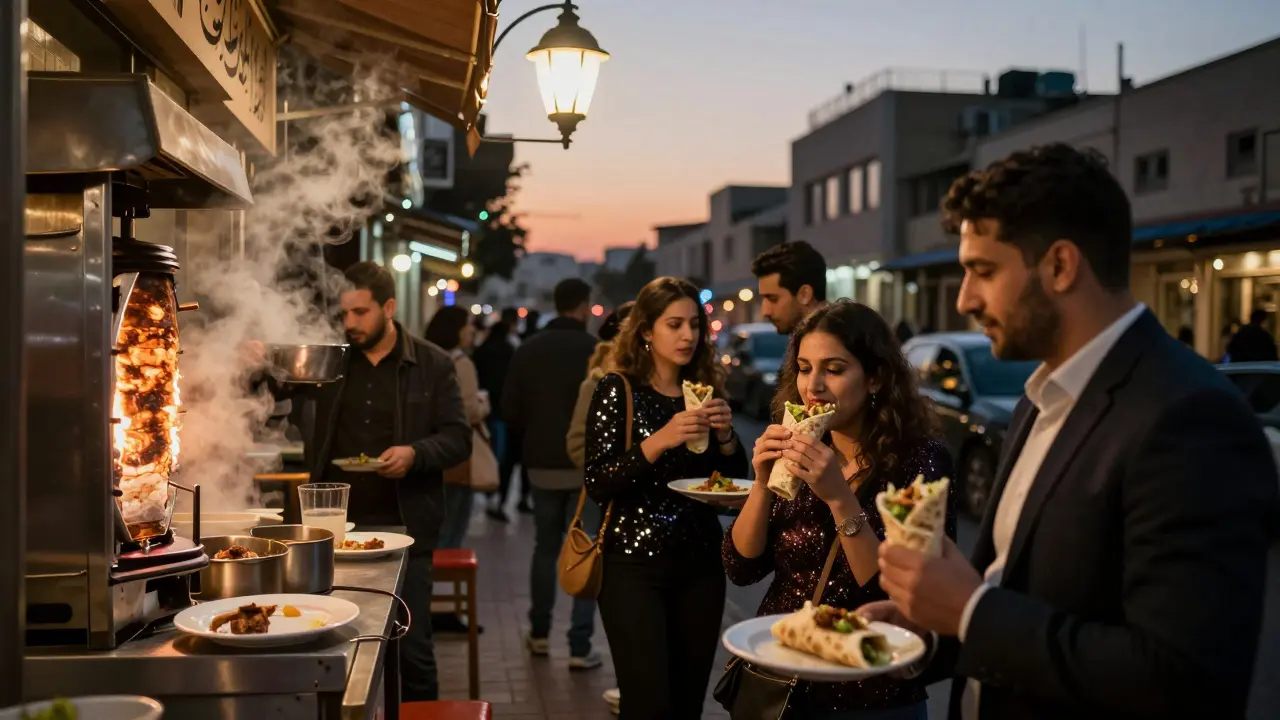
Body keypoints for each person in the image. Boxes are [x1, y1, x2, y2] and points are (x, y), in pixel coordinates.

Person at [860, 144, 1279, 719]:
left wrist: (970, 611)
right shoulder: (1039, 400)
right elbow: (1019, 601)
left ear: (1060, 265)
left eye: (983, 270)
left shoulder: (1191, 416)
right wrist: (927, 627)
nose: (964, 299)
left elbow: (1184, 678)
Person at [724, 301, 954, 719]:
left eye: (833, 369)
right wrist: (761, 483)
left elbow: (895, 592)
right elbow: (741, 568)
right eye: (804, 368)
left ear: (875, 378)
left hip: (873, 691)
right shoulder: (801, 447)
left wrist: (838, 497)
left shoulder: (920, 461)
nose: (813, 386)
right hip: (783, 677)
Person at [584, 277, 748, 720]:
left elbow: (731, 484)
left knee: (687, 700)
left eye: (694, 324)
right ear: (645, 331)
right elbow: (598, 481)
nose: (688, 335)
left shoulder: (704, 390)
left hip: (699, 563)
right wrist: (659, 440)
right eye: (674, 324)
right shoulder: (617, 389)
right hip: (631, 564)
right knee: (647, 701)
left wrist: (727, 437)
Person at [311, 261, 471, 701]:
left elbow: (458, 439)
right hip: (336, 530)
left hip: (406, 526)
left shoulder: (432, 363)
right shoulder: (333, 359)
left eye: (361, 313)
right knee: (331, 646)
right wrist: (257, 359)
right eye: (344, 314)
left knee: (412, 651)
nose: (350, 324)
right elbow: (275, 391)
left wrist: (415, 454)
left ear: (389, 307)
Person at [502, 278, 603, 669]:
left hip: (541, 466)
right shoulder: (595, 351)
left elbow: (509, 410)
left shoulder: (528, 350)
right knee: (586, 551)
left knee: (545, 549)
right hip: (585, 471)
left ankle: (539, 634)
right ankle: (579, 646)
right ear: (583, 306)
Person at [566, 301, 633, 717]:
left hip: (647, 517)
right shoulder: (598, 384)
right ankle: (578, 643)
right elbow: (576, 446)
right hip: (604, 503)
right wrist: (616, 468)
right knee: (592, 573)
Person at [424, 306, 490, 551]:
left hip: (428, 448)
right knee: (453, 526)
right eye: (468, 324)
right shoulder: (462, 364)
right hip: (456, 454)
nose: (472, 329)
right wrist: (484, 404)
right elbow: (469, 411)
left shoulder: (426, 358)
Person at [472, 307, 523, 520]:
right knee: (500, 453)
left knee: (487, 447)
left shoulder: (482, 349)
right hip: (502, 410)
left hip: (484, 406)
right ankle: (493, 490)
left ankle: (487, 488)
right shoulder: (509, 350)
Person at [752, 240, 829, 334]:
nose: (765, 311)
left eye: (773, 299)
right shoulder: (836, 336)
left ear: (805, 294)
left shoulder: (821, 342)